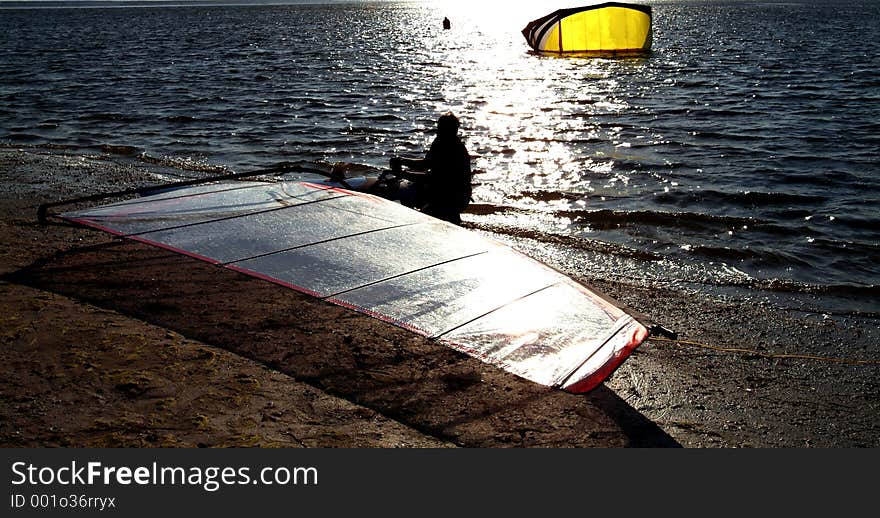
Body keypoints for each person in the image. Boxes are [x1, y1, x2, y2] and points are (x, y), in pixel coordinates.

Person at [390, 112, 472, 225]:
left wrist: (403, 174)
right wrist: (402, 161)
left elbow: (432, 178)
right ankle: (452, 218)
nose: (438, 131)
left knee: (423, 218)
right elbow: (425, 164)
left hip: (454, 196)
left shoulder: (455, 149)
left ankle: (449, 217)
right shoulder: (439, 141)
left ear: (452, 130)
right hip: (446, 192)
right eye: (439, 127)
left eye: (442, 128)